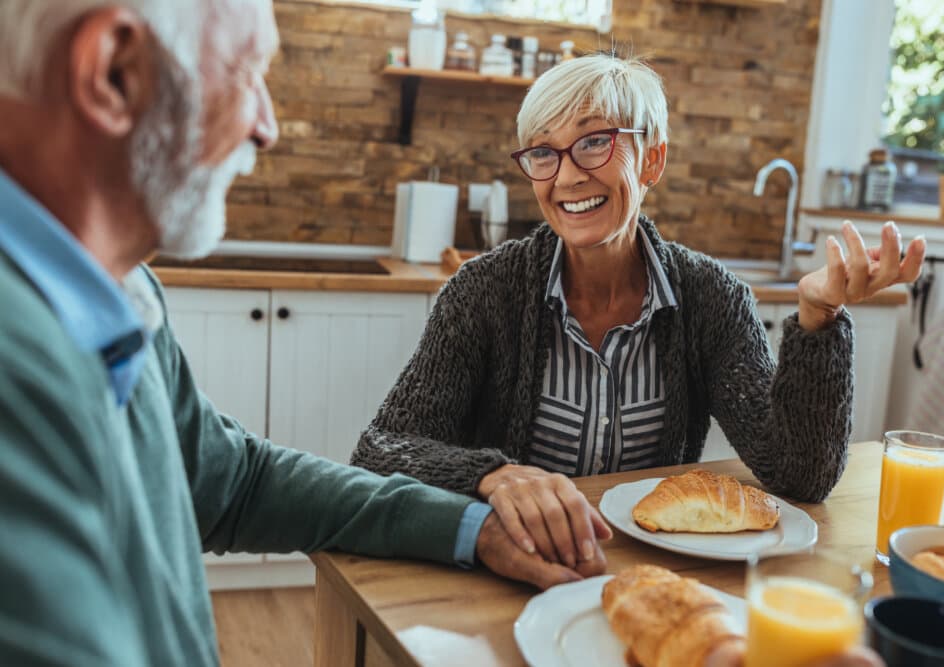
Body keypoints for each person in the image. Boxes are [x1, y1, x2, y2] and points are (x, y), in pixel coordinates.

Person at [0, 1, 602, 664]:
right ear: (114, 73)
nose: (268, 126)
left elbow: (237, 483)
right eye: (247, 72)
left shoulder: (122, 292)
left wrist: (473, 527)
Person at [353, 53, 926, 572]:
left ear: (652, 159)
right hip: (514, 569)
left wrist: (817, 316)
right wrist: (492, 475)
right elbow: (380, 450)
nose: (568, 175)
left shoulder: (709, 297)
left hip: (654, 572)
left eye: (595, 141)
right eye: (543, 153)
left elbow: (802, 475)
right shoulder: (484, 291)